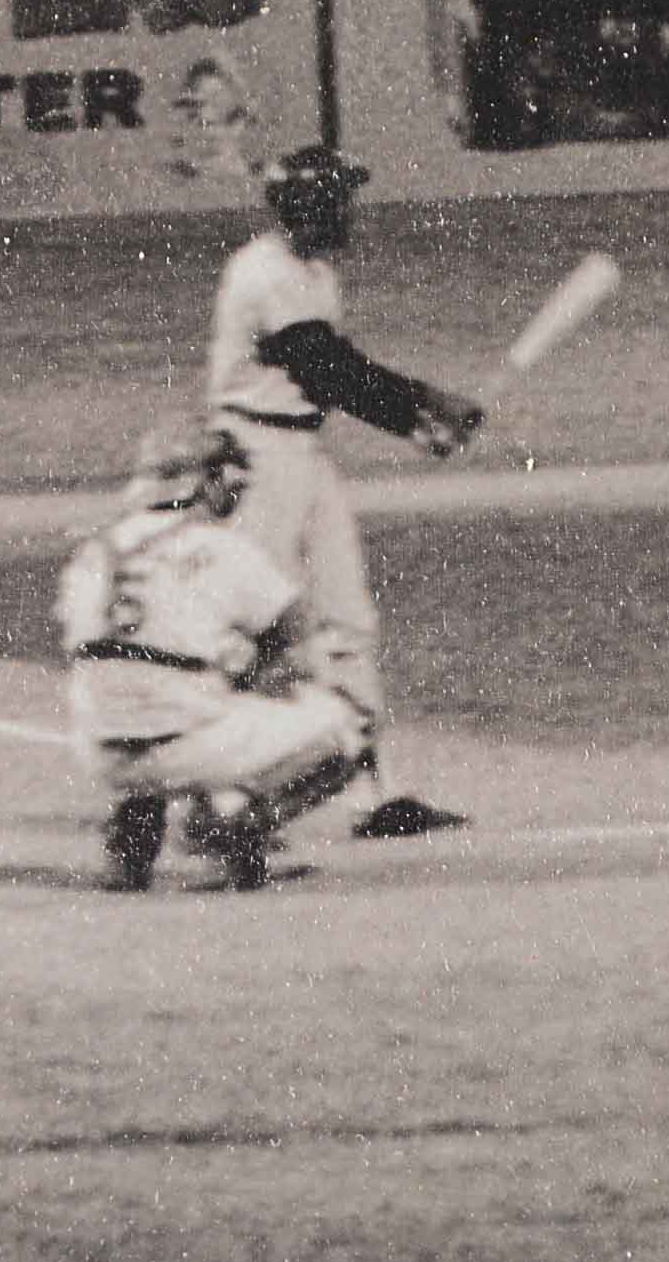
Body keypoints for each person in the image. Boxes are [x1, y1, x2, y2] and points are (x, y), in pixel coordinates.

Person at [205, 143, 485, 839]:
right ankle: (208, 789)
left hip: (298, 451)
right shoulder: (264, 272)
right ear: (306, 206)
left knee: (347, 618)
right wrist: (424, 402)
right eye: (337, 200)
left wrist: (417, 425)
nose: (349, 212)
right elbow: (324, 366)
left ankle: (376, 793)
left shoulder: (314, 273)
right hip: (254, 458)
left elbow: (329, 380)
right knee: (247, 626)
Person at [55, 418, 374, 892]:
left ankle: (132, 833)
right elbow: (295, 626)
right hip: (185, 742)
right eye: (225, 477)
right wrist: (249, 671)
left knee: (158, 678)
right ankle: (232, 829)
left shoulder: (94, 550)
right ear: (202, 480)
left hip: (97, 748)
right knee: (348, 727)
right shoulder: (219, 546)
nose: (234, 489)